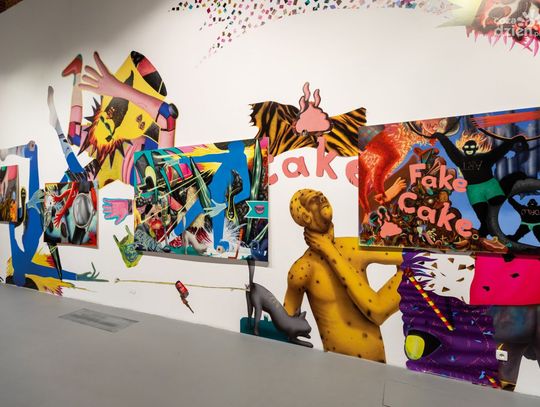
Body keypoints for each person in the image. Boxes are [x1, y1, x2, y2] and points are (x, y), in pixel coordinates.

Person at [283, 189, 403, 362]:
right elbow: (286, 325)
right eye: (313, 200)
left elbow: (407, 257)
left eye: (321, 194)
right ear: (305, 216)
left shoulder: (352, 247)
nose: (321, 197)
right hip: (337, 367)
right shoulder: (303, 269)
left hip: (378, 366)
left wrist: (329, 250)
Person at [434, 133, 526, 236]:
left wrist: (514, 140)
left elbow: (499, 151)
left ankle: (513, 178)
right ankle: (485, 228)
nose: (469, 149)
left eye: (471, 147)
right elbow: (450, 149)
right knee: (482, 214)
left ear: (475, 148)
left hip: (489, 185)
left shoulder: (484, 158)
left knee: (497, 202)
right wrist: (441, 137)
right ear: (464, 149)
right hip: (474, 190)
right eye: (467, 148)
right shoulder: (460, 159)